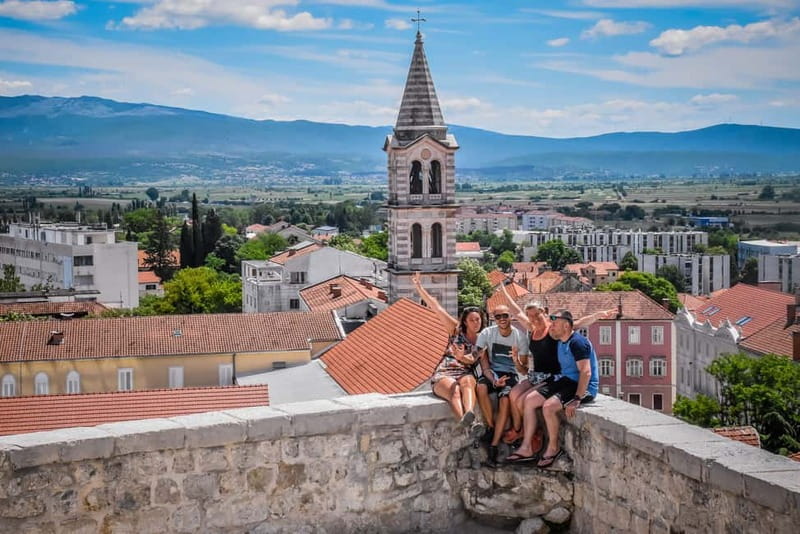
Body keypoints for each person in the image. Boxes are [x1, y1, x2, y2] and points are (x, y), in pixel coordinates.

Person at [412, 272, 485, 437]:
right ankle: (470, 425)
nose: (476, 322)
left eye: (478, 319)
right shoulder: (455, 330)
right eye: (472, 320)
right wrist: (419, 288)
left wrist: (462, 358)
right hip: (445, 372)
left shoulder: (483, 340)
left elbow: (473, 359)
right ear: (465, 321)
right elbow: (436, 307)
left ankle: (469, 416)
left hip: (465, 372)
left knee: (467, 383)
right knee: (454, 392)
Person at [528, 309, 600, 468]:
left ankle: (553, 448)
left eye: (554, 323)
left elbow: (586, 372)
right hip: (565, 379)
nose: (551, 326)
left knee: (548, 407)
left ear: (566, 326)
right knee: (530, 400)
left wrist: (577, 398)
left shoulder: (577, 342)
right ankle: (529, 442)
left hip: (581, 385)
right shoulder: (561, 340)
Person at [474, 304, 530, 466]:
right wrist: (493, 380)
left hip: (510, 375)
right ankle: (492, 428)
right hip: (492, 373)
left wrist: (516, 360)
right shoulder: (487, 333)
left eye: (505, 316)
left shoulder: (520, 337)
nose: (502, 319)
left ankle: (493, 445)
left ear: (510, 316)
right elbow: (481, 362)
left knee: (505, 400)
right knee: (481, 387)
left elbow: (524, 370)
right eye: (498, 317)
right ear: (494, 318)